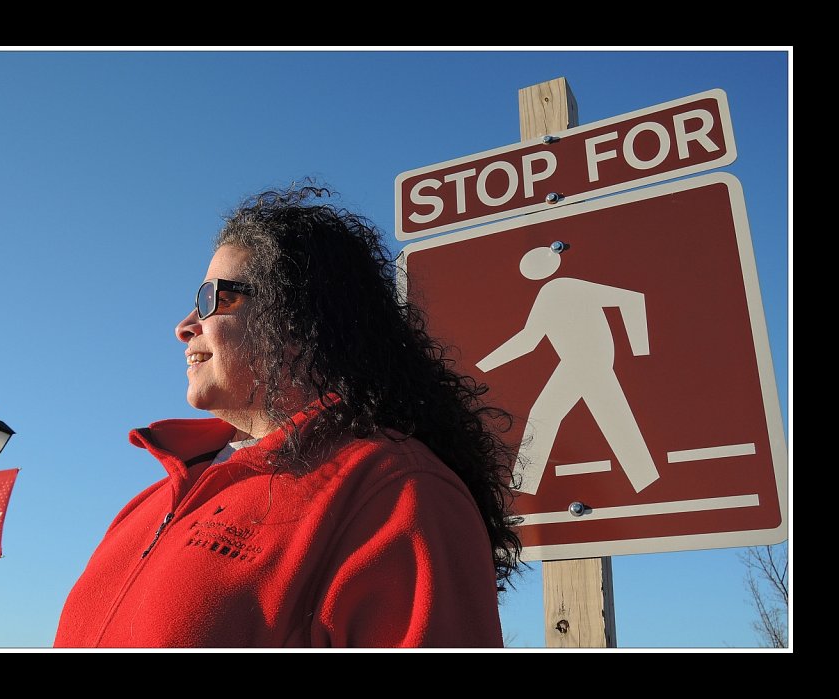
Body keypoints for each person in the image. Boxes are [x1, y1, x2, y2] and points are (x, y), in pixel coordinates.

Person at [54, 185, 521, 648]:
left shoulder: (395, 491)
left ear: (296, 320)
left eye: (212, 298)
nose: (184, 327)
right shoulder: (146, 505)